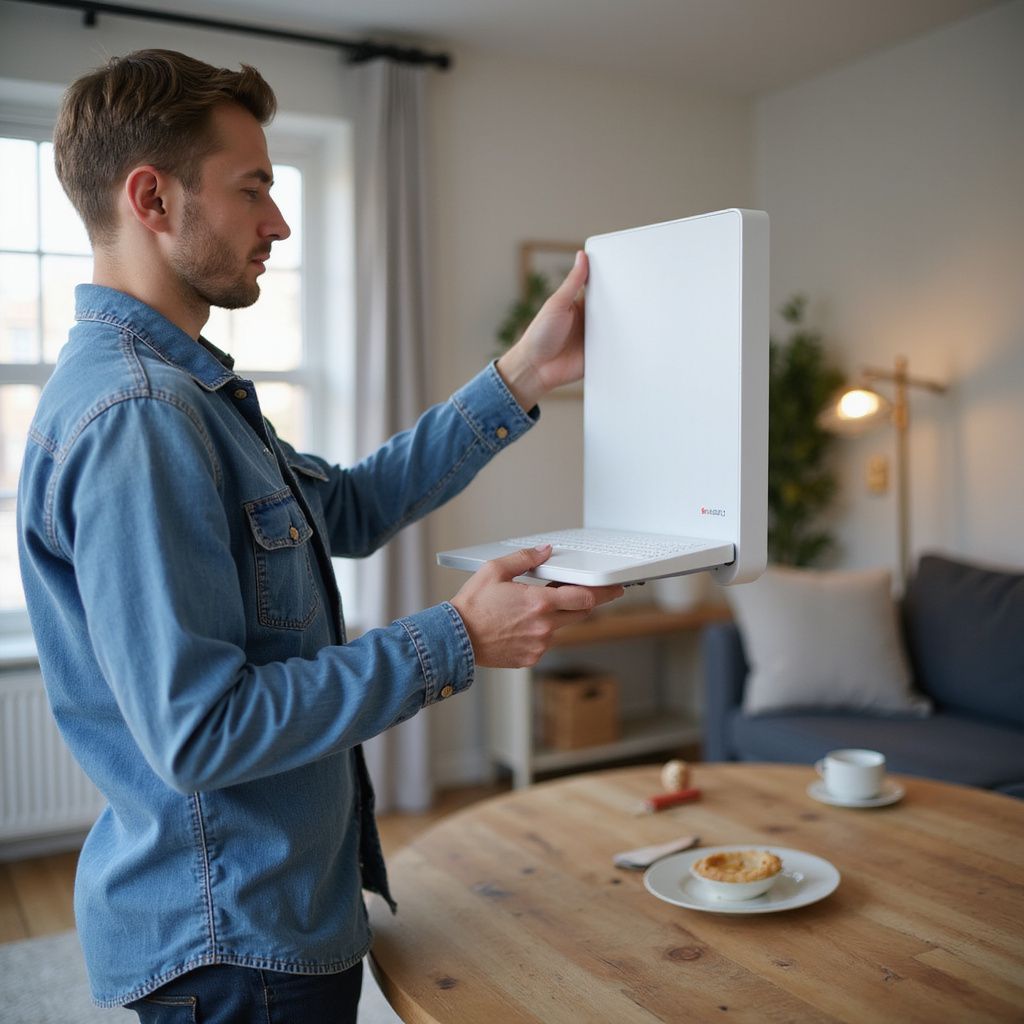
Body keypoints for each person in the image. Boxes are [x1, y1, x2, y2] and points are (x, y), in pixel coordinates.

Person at [16, 49, 623, 1022]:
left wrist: (520, 376)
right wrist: (458, 638)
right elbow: (202, 731)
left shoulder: (188, 395)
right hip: (235, 940)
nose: (278, 220)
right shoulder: (140, 415)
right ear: (152, 197)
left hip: (267, 907)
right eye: (252, 186)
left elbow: (346, 507)